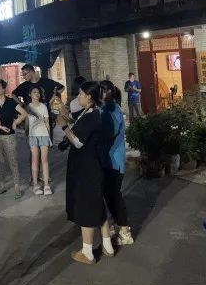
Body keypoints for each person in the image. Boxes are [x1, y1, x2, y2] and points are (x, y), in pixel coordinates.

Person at [58, 81, 109, 265]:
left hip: (86, 168)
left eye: (80, 94)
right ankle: (107, 245)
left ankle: (87, 252)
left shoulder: (92, 116)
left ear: (89, 96)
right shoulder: (89, 112)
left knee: (86, 206)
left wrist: (64, 126)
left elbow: (78, 142)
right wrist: (65, 116)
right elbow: (78, 125)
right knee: (97, 204)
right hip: (90, 165)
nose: (77, 96)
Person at [99, 81, 134, 247]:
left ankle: (125, 232)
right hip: (108, 161)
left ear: (106, 92)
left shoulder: (112, 110)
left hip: (113, 162)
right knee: (110, 196)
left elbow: (108, 133)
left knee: (114, 197)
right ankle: (116, 226)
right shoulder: (107, 108)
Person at [0, 80, 23, 198]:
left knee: (13, 160)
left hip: (9, 136)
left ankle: (17, 186)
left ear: (4, 88)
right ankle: (2, 185)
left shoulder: (11, 102)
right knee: (0, 162)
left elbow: (24, 113)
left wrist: (16, 122)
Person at [23, 88, 52, 195]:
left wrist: (49, 136)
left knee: (44, 160)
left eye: (38, 92)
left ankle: (46, 185)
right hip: (32, 135)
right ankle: (35, 185)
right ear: (30, 94)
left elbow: (47, 122)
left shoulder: (43, 107)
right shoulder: (28, 107)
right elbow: (27, 123)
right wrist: (27, 135)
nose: (37, 94)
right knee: (35, 160)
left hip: (44, 135)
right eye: (34, 92)